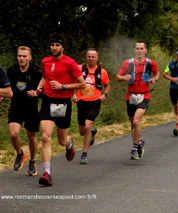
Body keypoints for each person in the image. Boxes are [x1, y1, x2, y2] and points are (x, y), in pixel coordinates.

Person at [36, 33, 86, 186]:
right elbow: (45, 77)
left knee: (61, 140)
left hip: (63, 103)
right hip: (48, 101)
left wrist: (62, 86)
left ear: (62, 47)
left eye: (57, 45)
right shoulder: (45, 61)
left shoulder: (69, 63)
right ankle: (47, 173)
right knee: (45, 137)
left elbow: (82, 84)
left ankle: (69, 143)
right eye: (52, 45)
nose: (54, 48)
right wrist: (40, 86)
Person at [116, 40, 159, 160]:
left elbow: (157, 73)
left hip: (144, 96)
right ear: (134, 50)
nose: (139, 51)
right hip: (130, 96)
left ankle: (135, 148)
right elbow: (118, 77)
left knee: (136, 121)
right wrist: (124, 77)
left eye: (141, 49)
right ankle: (139, 141)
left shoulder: (150, 63)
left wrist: (155, 79)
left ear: (146, 50)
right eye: (137, 49)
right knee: (133, 125)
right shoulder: (128, 63)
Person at [6, 46, 42, 176]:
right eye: (19, 56)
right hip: (16, 106)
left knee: (31, 137)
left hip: (31, 107)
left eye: (24, 56)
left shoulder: (37, 71)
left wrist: (37, 92)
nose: (21, 58)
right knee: (14, 134)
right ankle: (20, 154)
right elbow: (6, 86)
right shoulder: (11, 70)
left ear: (30, 58)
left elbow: (43, 89)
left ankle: (32, 161)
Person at [73, 48, 110, 164]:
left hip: (94, 102)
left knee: (87, 126)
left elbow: (107, 86)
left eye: (93, 57)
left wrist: (104, 94)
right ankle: (92, 132)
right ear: (86, 58)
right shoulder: (79, 69)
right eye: (89, 56)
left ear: (97, 58)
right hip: (81, 101)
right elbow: (72, 82)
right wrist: (73, 94)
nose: (91, 59)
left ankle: (84, 154)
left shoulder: (102, 72)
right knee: (82, 131)